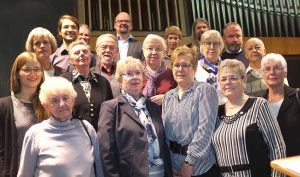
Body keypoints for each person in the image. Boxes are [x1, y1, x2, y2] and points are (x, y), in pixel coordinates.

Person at [98, 56, 172, 177]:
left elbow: (163, 143)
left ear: (143, 77)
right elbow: (106, 151)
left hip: (161, 171)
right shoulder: (110, 108)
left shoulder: (152, 106)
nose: (134, 77)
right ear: (119, 79)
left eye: (138, 73)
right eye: (128, 74)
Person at [17, 77, 104, 177]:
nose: (62, 104)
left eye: (66, 98)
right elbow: (25, 174)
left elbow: (99, 168)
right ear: (45, 106)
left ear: (73, 100)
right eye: (54, 101)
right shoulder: (35, 134)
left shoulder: (87, 128)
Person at [213, 59, 286, 177]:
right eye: (223, 79)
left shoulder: (259, 105)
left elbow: (278, 148)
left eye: (233, 78)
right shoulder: (217, 112)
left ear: (244, 80)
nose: (228, 82)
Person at [162, 46, 219, 177]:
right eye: (176, 65)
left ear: (194, 68)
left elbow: (205, 130)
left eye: (185, 65)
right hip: (174, 166)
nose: (180, 69)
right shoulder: (168, 96)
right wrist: (170, 163)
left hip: (199, 167)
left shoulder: (205, 91)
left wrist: (189, 163)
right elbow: (165, 134)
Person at [0, 52, 48, 177]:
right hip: (15, 171)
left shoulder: (49, 104)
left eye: (37, 69)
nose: (33, 74)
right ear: (17, 73)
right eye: (27, 69)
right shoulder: (4, 106)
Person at [61, 41, 113, 130]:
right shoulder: (63, 81)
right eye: (77, 53)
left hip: (100, 136)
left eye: (85, 52)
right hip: (73, 135)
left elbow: (111, 112)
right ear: (70, 60)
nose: (81, 54)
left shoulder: (103, 81)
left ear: (90, 56)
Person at [262, 53, 300, 157]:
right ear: (262, 74)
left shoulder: (297, 96)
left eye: (277, 68)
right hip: (269, 165)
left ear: (285, 73)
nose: (272, 72)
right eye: (267, 69)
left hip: (295, 164)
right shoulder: (258, 103)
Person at [142, 34, 177, 105]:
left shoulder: (173, 74)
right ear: (143, 51)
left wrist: (167, 99)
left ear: (163, 52)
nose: (154, 52)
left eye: (158, 49)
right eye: (150, 48)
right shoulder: (136, 74)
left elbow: (182, 97)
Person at [194, 30, 227, 105]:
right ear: (201, 47)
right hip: (202, 111)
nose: (212, 47)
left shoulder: (228, 66)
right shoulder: (194, 68)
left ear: (221, 47)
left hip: (226, 111)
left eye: (216, 44)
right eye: (208, 43)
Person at [91, 33, 121, 97]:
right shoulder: (90, 73)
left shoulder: (124, 71)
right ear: (97, 50)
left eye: (111, 47)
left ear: (117, 51)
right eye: (104, 47)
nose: (108, 50)